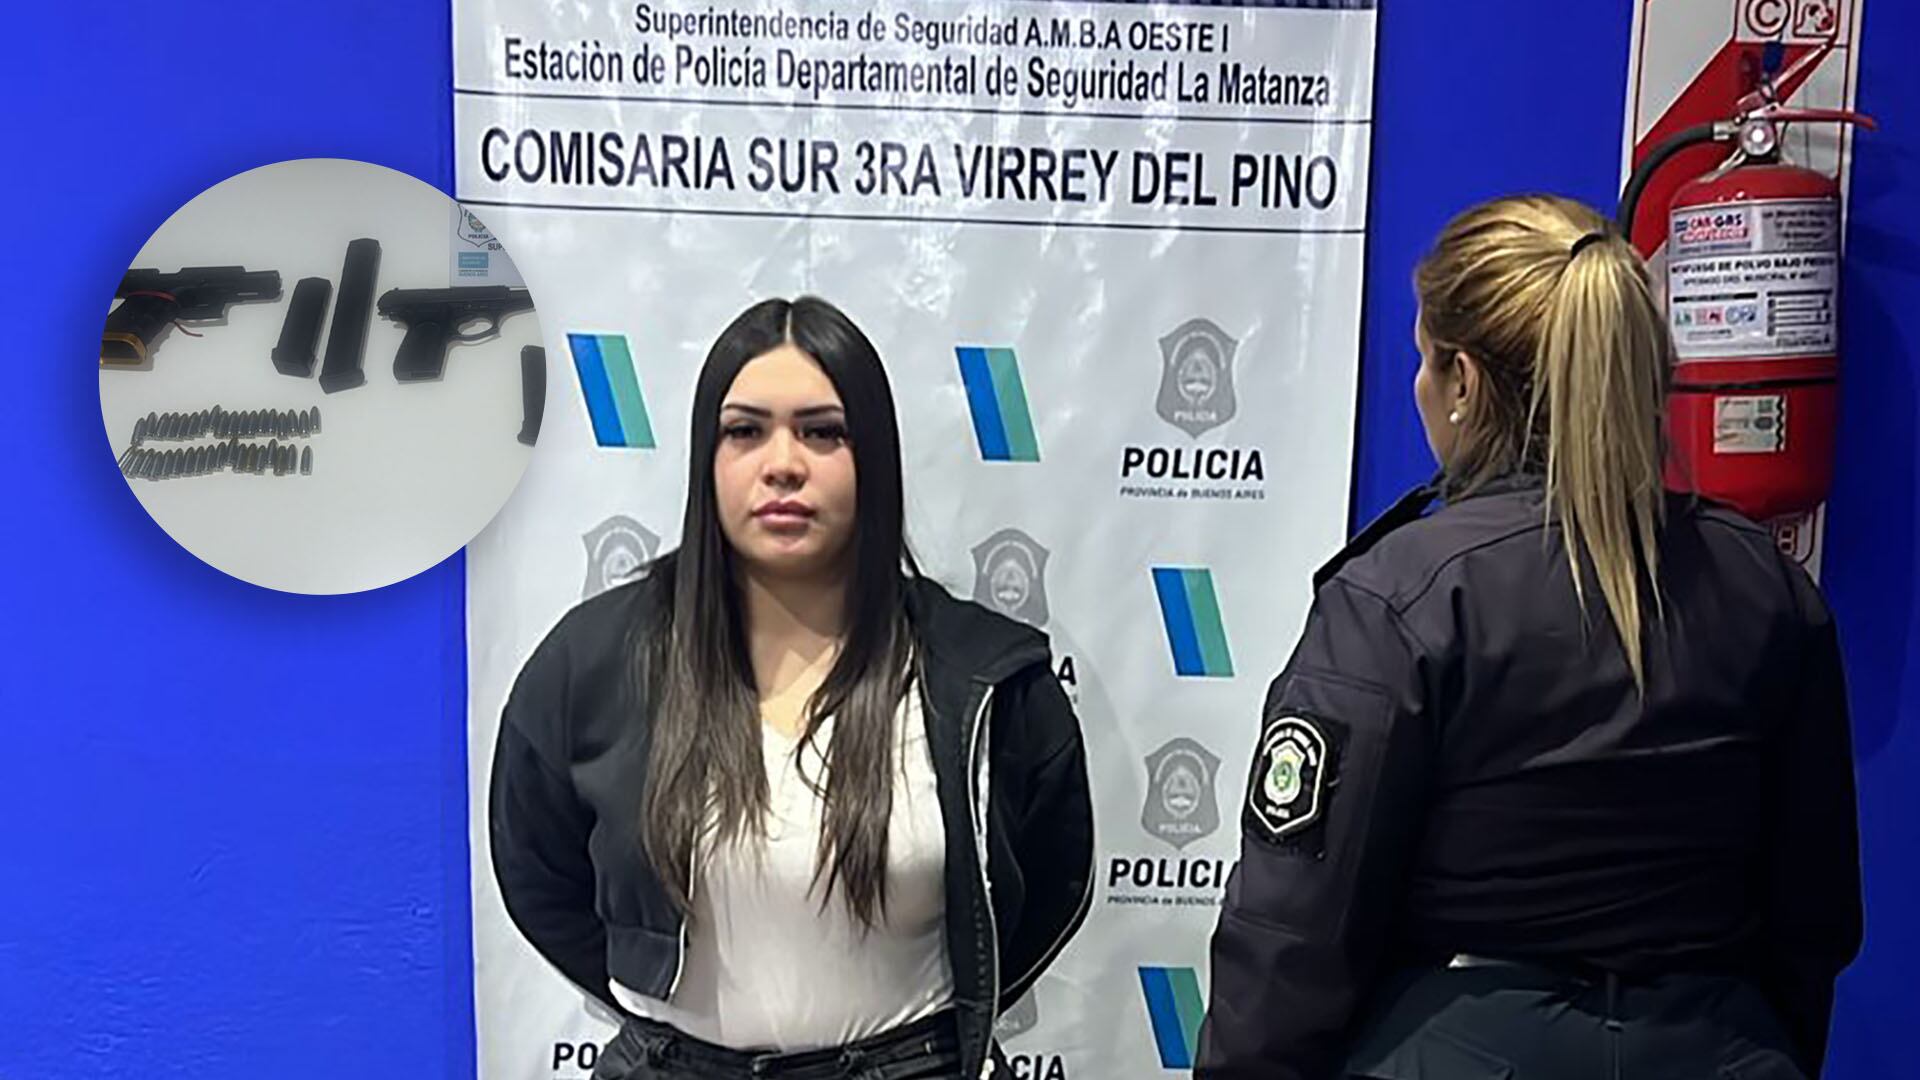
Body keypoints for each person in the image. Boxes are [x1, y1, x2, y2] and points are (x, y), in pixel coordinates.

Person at [1197, 194, 1862, 1080]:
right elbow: (1813, 912)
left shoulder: (1400, 597)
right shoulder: (1763, 585)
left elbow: (1295, 930)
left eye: (1425, 362)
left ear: (1464, 382)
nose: (1420, 389)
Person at [490, 296, 1094, 1080]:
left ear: (874, 456)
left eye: (823, 432)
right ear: (708, 457)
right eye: (745, 431)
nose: (783, 463)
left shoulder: (985, 673)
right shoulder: (592, 661)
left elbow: (1047, 887)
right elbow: (541, 878)